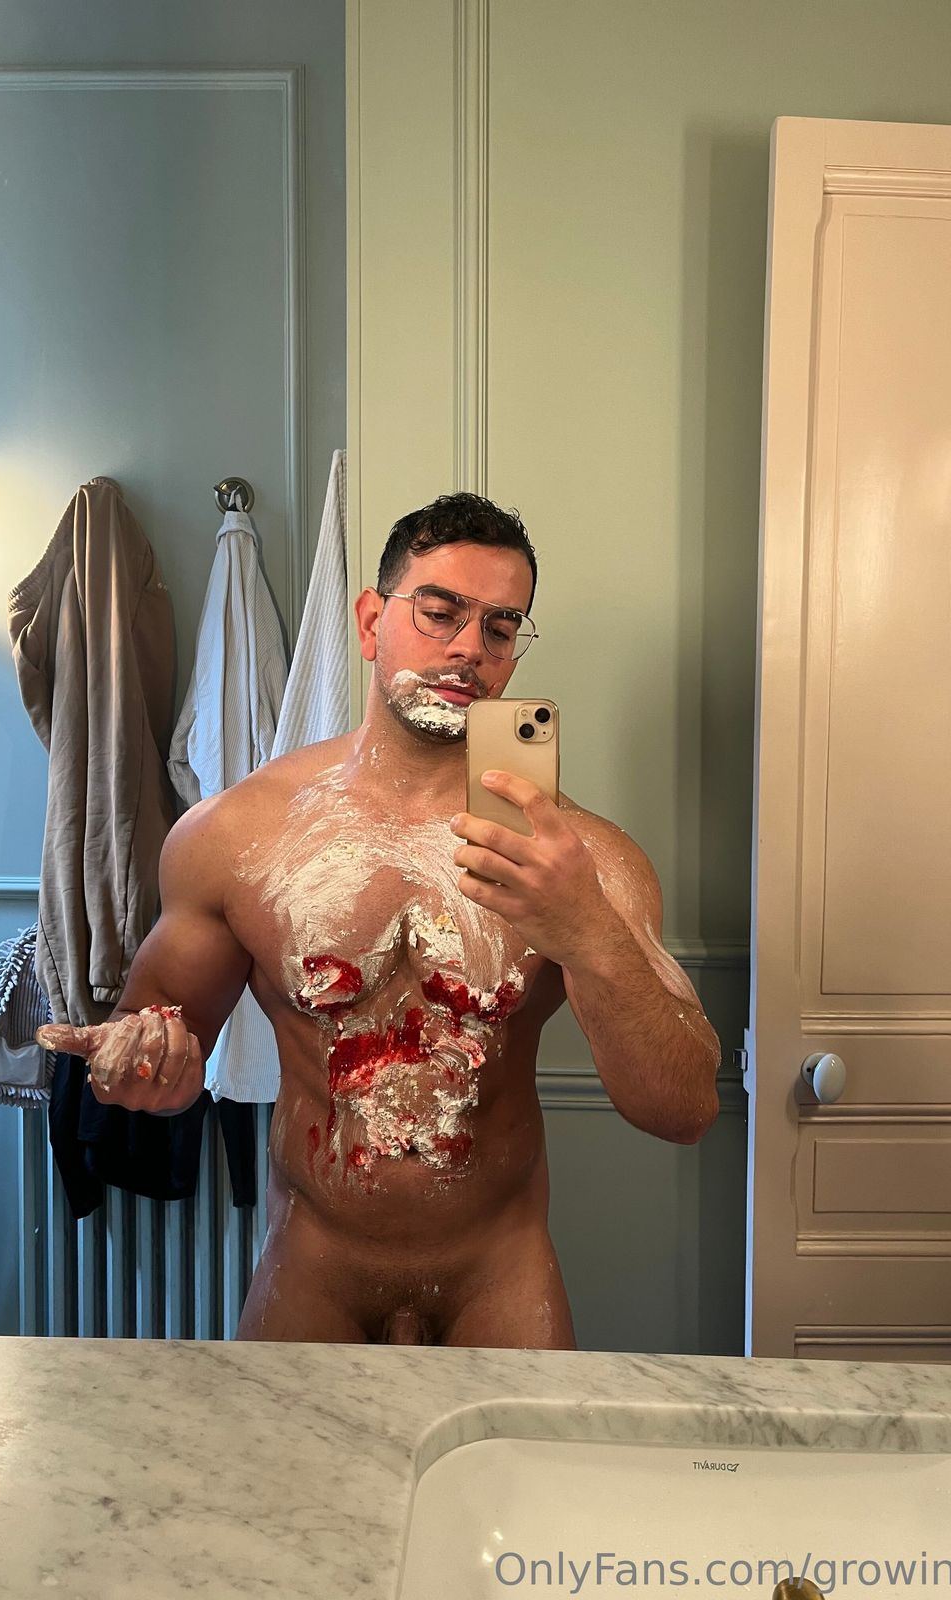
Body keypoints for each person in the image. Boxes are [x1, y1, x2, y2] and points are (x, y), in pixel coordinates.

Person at [38, 492, 721, 1347]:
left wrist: (586, 930)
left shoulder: (578, 861)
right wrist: (147, 1067)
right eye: (440, 612)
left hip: (498, 1276)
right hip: (311, 1271)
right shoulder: (238, 837)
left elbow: (683, 1109)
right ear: (371, 621)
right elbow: (157, 1058)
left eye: (501, 627)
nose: (469, 647)